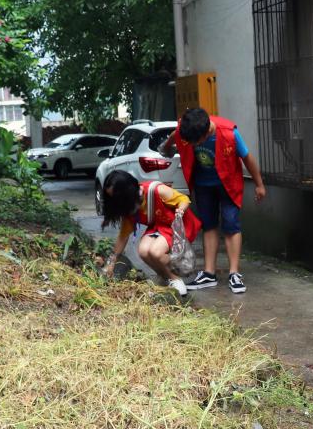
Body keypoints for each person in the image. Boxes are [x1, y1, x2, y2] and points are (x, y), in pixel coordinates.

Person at [160, 108, 266, 294]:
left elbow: (247, 158)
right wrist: (167, 146)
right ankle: (209, 273)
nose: (191, 144)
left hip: (228, 184)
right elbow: (175, 134)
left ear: (206, 132)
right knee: (208, 225)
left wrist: (259, 184)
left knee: (231, 224)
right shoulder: (188, 129)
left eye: (195, 142)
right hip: (203, 184)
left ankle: (234, 273)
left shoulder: (229, 133)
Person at [100, 170, 202, 296]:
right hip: (159, 227)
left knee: (155, 252)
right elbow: (123, 236)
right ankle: (167, 277)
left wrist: (180, 211)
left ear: (126, 193)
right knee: (143, 251)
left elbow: (184, 199)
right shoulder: (130, 207)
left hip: (177, 225)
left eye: (115, 197)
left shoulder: (156, 191)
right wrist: (111, 262)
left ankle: (179, 275)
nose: (114, 201)